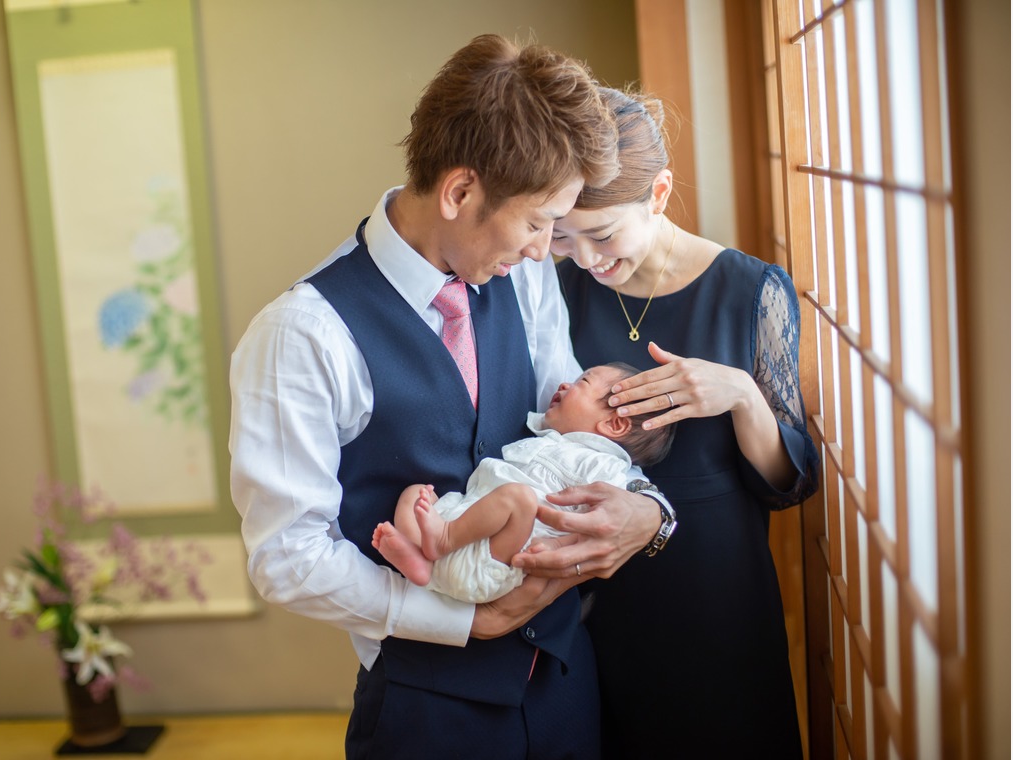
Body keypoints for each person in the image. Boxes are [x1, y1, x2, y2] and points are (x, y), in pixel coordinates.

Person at [229, 37, 674, 760]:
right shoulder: (302, 336)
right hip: (428, 716)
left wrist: (649, 509)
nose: (544, 252)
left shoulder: (523, 277)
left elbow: (580, 433)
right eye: (536, 224)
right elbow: (288, 556)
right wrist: (462, 621)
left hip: (565, 678)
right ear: (461, 192)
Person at [526, 86, 821, 758]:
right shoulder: (558, 290)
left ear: (659, 194)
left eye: (602, 235)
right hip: (591, 586)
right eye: (565, 238)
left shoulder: (750, 289)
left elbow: (789, 482)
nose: (587, 258)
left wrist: (743, 394)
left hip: (714, 589)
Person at [374, 363, 675, 604]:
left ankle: (443, 541)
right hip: (462, 526)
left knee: (519, 499)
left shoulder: (603, 464)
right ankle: (423, 565)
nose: (564, 384)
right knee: (416, 493)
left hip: (496, 558)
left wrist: (654, 511)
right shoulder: (550, 438)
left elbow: (623, 498)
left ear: (614, 424)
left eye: (581, 382)